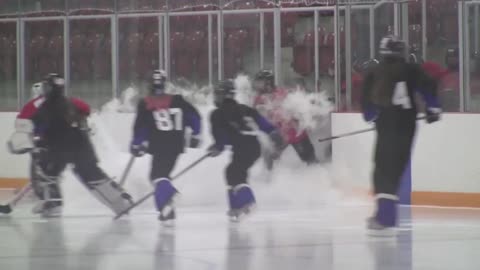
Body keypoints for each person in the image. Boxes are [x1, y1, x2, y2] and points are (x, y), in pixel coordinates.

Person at [15, 73, 133, 217]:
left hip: (57, 148)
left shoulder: (37, 106)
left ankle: (53, 202)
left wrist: (31, 143)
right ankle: (120, 199)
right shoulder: (72, 102)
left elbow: (24, 126)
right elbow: (86, 110)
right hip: (82, 144)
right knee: (91, 174)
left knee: (46, 173)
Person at [361, 35, 441, 235]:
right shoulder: (412, 70)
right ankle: (385, 216)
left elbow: (367, 106)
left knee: (382, 171)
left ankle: (385, 218)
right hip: (407, 127)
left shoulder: (376, 72)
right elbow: (429, 87)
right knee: (396, 170)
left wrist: (372, 117)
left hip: (387, 127)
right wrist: (433, 109)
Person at [130, 70, 202, 222]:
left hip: (159, 144)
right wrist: (196, 134)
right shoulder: (177, 100)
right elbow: (194, 117)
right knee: (162, 175)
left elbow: (141, 127)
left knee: (157, 176)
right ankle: (166, 209)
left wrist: (137, 144)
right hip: (175, 144)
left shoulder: (146, 103)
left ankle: (170, 195)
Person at [208, 79, 284, 221]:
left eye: (218, 94)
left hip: (242, 145)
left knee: (235, 171)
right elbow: (265, 125)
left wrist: (217, 147)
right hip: (254, 146)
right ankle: (235, 207)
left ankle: (248, 201)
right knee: (232, 171)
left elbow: (221, 138)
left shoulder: (217, 114)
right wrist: (274, 134)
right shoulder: (245, 109)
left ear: (223, 95)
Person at [253, 69, 318, 169]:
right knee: (268, 155)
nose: (258, 86)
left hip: (296, 134)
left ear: (268, 83)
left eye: (260, 82)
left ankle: (319, 178)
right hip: (279, 135)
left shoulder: (282, 94)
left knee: (311, 162)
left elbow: (299, 109)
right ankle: (270, 180)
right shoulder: (258, 99)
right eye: (257, 82)